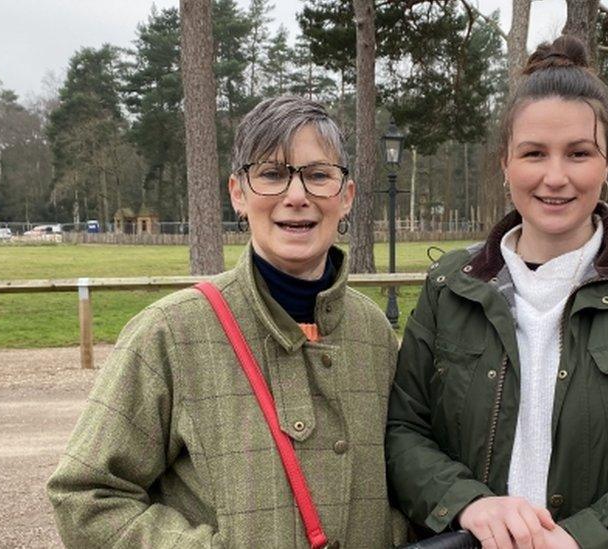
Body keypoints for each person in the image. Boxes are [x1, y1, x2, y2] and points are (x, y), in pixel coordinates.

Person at [387, 36, 608, 549]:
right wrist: (466, 502)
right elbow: (404, 432)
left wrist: (588, 537)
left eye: (578, 153)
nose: (554, 177)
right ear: (505, 163)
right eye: (534, 153)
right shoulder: (451, 287)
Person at [48, 96, 407, 548]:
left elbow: (407, 474)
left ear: (347, 195)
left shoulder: (373, 332)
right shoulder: (170, 332)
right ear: (238, 193)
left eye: (318, 176)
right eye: (272, 174)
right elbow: (85, 496)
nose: (297, 197)